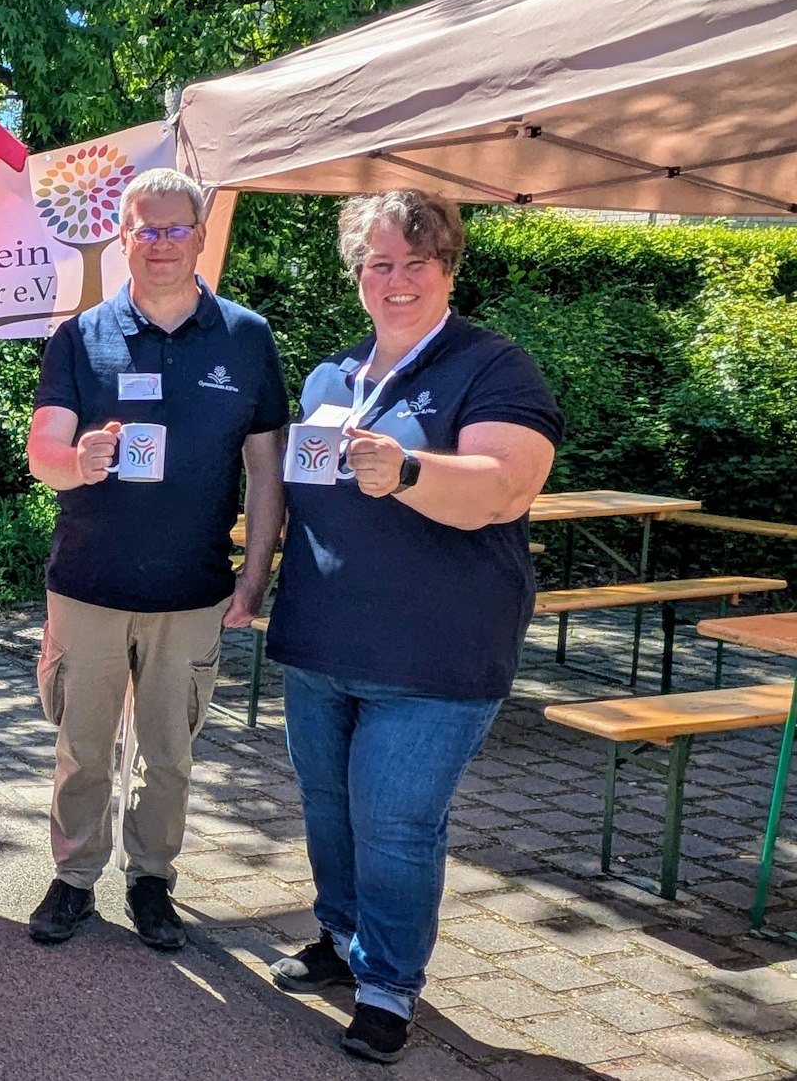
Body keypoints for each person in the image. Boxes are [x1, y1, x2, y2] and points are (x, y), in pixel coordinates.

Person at [264, 190, 561, 1064]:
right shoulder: (331, 375)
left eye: (414, 263)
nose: (396, 280)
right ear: (357, 275)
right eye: (378, 264)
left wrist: (408, 468)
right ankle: (340, 937)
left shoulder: (494, 366)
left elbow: (506, 486)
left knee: (395, 822)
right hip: (322, 643)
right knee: (328, 808)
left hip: (435, 654)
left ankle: (388, 984)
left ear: (447, 269)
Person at [25, 168, 288, 949]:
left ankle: (152, 881)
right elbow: (43, 451)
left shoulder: (248, 338)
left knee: (169, 752)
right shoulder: (80, 336)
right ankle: (74, 879)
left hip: (193, 589)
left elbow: (267, 467)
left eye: (177, 229)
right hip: (90, 585)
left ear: (202, 237)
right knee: (82, 749)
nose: (162, 242)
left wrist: (256, 572)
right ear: (122, 238)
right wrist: (78, 459)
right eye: (146, 228)